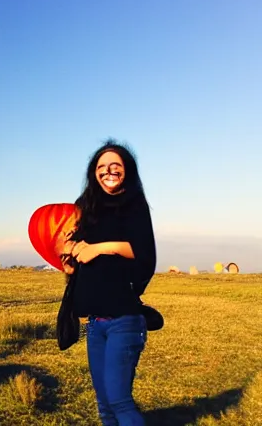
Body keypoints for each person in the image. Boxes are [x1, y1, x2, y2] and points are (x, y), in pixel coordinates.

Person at [59, 139, 156, 426]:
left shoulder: (134, 205)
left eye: (116, 165)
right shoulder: (84, 208)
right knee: (104, 404)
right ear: (93, 172)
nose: (108, 170)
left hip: (124, 319)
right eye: (101, 166)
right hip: (95, 322)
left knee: (119, 401)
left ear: (127, 170)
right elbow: (76, 263)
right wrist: (68, 257)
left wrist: (99, 247)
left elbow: (143, 252)